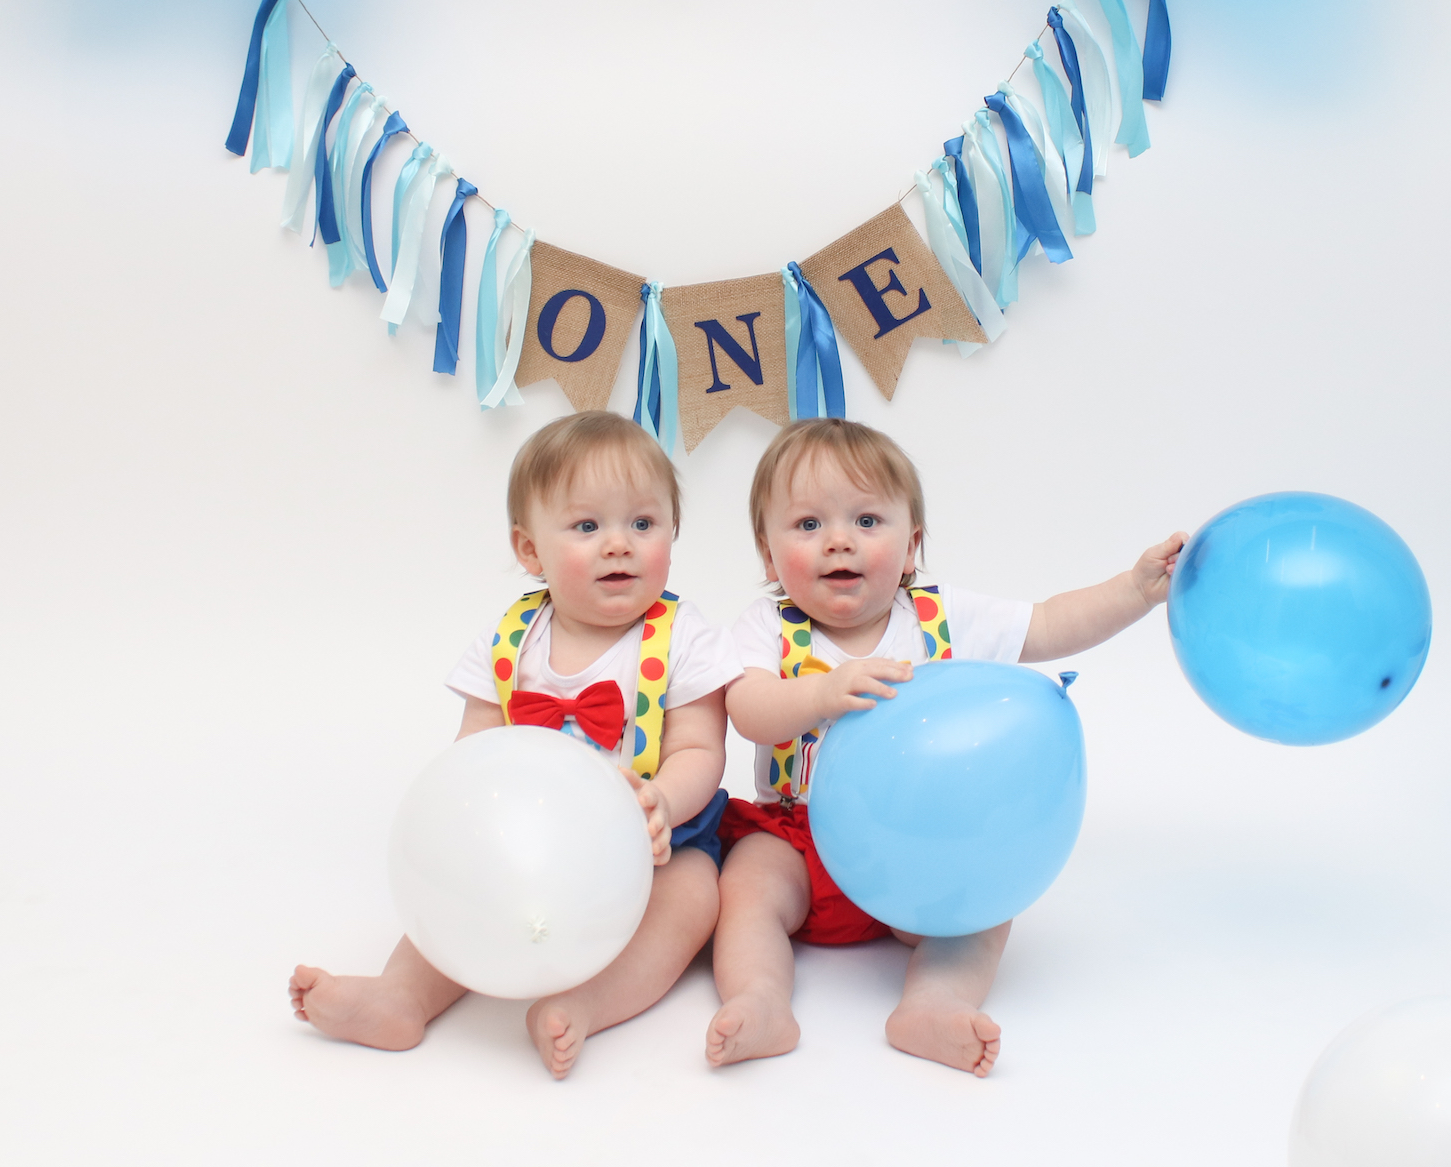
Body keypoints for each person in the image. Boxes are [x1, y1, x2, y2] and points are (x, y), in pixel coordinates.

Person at [706, 418, 1186, 1076]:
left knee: (989, 907)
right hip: (800, 834)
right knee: (745, 888)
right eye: (808, 524)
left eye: (868, 520)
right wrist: (822, 693)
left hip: (921, 850)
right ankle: (759, 996)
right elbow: (749, 709)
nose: (838, 540)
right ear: (767, 554)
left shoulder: (938, 613)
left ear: (912, 547)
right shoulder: (767, 625)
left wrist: (1134, 590)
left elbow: (1046, 624)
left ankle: (934, 1000)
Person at [291, 411, 739, 1079]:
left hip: (655, 842)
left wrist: (662, 801)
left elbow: (703, 747)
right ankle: (401, 995)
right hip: (528, 841)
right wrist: (464, 825)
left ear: (672, 533)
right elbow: (474, 743)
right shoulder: (511, 638)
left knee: (698, 896)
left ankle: (585, 1002)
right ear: (530, 550)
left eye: (643, 524)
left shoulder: (685, 635)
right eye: (588, 526)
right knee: (457, 894)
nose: (619, 544)